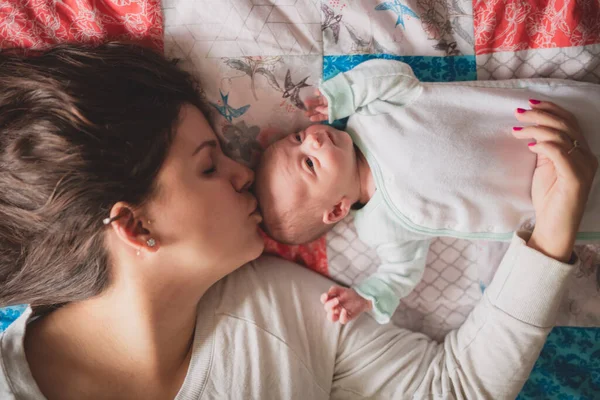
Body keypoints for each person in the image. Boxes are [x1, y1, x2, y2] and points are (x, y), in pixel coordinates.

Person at [0, 42, 596, 400]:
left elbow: (457, 388)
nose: (243, 172)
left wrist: (550, 235)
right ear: (134, 227)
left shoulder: (288, 308)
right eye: (209, 166)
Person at [254, 59, 600, 324]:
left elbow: (396, 76)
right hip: (545, 198)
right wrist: (367, 296)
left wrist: (342, 94)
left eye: (298, 138)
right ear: (336, 210)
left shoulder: (370, 115)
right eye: (310, 164)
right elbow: (400, 271)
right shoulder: (379, 226)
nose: (312, 139)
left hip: (536, 123)